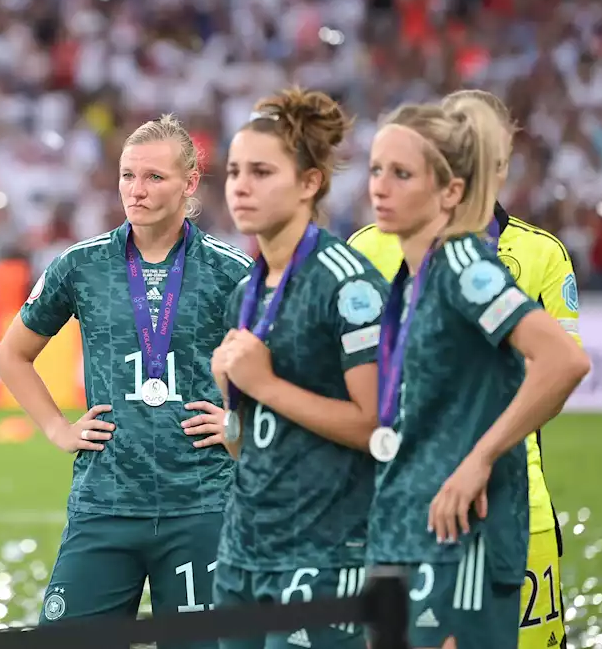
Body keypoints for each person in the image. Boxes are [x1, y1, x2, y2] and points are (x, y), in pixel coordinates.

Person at [0, 114, 251, 645]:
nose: (137, 190)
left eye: (155, 177)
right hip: (105, 502)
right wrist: (57, 429)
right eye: (128, 175)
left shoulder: (233, 271)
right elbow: (13, 356)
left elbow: (284, 367)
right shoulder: (80, 266)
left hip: (202, 505)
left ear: (189, 183)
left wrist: (239, 425)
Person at [347, 90, 582, 649]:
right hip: (403, 507)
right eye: (377, 169)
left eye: (401, 172)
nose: (379, 186)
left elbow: (563, 360)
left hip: (467, 514)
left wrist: (479, 457)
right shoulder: (406, 262)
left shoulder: (464, 267)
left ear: (448, 182)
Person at [208, 89, 389, 649]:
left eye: (262, 171)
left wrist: (264, 385)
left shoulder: (348, 284)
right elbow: (249, 444)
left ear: (309, 183)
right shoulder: (245, 290)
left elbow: (376, 430)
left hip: (326, 554)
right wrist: (231, 399)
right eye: (235, 170)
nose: (240, 185)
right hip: (243, 551)